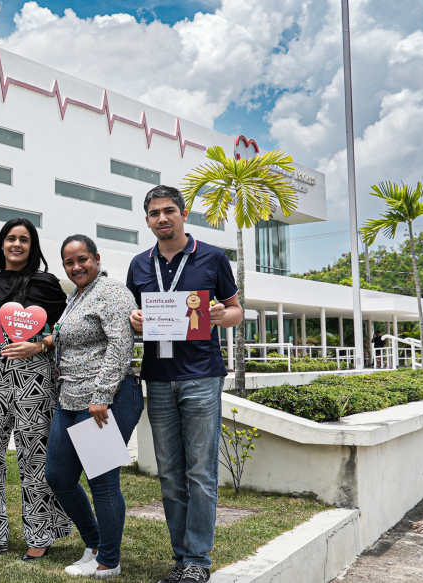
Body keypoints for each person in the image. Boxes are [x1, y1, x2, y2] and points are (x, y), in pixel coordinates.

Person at [126, 186, 243, 583]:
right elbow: (132, 314)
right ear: (147, 220)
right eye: (155, 213)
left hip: (202, 375)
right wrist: (135, 320)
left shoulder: (213, 256)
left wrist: (220, 315)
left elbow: (236, 310)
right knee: (170, 473)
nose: (163, 218)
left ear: (183, 213)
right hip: (157, 378)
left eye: (169, 211)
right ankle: (182, 560)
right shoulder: (139, 265)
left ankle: (198, 560)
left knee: (200, 472)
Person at [0, 217, 70, 558]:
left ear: (32, 246)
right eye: (11, 238)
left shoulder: (45, 282)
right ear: (2, 244)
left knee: (34, 455)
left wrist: (40, 345)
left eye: (24, 239)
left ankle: (40, 538)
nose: (16, 244)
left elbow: (64, 329)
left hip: (33, 375)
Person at [46, 234, 141, 578]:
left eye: (82, 259)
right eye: (69, 262)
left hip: (106, 399)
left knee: (102, 481)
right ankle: (95, 543)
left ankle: (109, 561)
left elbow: (121, 343)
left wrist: (101, 395)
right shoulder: (77, 296)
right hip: (69, 398)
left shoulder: (113, 292)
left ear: (97, 258)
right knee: (58, 477)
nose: (76, 267)